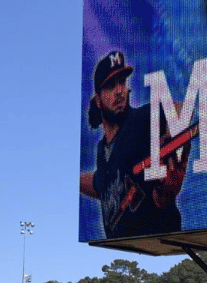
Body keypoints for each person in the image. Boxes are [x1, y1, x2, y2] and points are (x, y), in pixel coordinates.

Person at [80, 50, 187, 238]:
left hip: (163, 241)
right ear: (98, 100)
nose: (119, 91)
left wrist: (170, 145)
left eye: (122, 82)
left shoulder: (139, 120)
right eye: (110, 85)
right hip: (126, 245)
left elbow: (180, 109)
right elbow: (102, 182)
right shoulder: (101, 150)